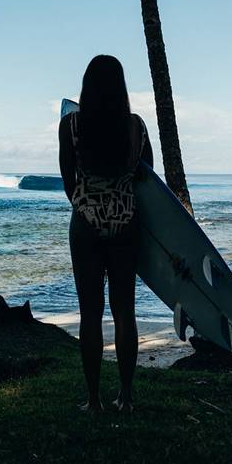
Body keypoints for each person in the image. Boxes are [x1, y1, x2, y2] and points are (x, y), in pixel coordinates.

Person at [59, 55, 153, 413]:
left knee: (90, 313)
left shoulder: (71, 125)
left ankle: (94, 399)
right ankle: (126, 397)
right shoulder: (136, 126)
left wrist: (88, 206)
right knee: (124, 312)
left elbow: (69, 179)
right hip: (126, 222)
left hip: (86, 222)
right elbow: (148, 178)